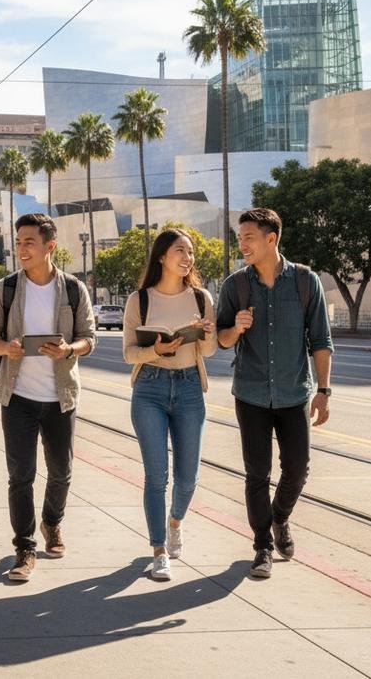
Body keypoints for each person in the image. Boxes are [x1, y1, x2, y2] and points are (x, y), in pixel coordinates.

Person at [216, 208, 333, 580]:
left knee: (297, 470)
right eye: (240, 238)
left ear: (271, 238)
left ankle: (280, 518)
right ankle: (262, 546)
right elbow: (221, 340)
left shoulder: (305, 281)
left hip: (294, 393)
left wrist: (324, 390)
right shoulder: (235, 285)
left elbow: (321, 340)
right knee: (257, 474)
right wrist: (236, 328)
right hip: (250, 394)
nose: (242, 244)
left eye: (249, 237)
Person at [0, 213, 95, 582]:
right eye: (18, 242)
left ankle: (52, 522)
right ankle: (25, 548)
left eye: (29, 242)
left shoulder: (74, 289)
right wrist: (4, 348)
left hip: (60, 397)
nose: (21, 248)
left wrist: (69, 349)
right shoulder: (5, 289)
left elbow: (89, 337)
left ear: (50, 246)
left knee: (61, 471)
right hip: (17, 397)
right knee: (21, 476)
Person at [121, 229, 217, 581]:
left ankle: (174, 522)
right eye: (180, 250)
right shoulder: (139, 300)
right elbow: (129, 353)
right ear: (162, 256)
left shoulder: (202, 298)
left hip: (190, 388)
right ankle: (159, 550)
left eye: (191, 252)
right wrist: (156, 350)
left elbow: (209, 352)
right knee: (156, 476)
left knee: (188, 479)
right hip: (150, 388)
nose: (188, 257)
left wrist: (206, 334)